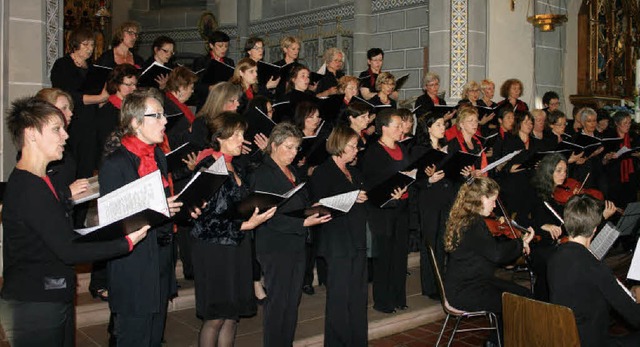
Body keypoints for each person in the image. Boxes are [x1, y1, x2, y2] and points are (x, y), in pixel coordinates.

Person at [0, 97, 149, 346]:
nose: (65, 136)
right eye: (56, 129)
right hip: (35, 303)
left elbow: (58, 234)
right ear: (31, 134)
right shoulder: (29, 187)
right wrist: (125, 243)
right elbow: (68, 250)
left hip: (49, 297)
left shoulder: (41, 180)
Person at [99, 88, 197, 346]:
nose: (165, 121)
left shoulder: (158, 156)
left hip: (161, 258)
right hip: (134, 264)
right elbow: (115, 222)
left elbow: (167, 204)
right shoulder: (116, 163)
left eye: (164, 115)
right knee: (134, 336)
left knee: (154, 336)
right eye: (157, 116)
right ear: (135, 122)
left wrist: (185, 209)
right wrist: (158, 208)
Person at [190, 111, 276, 346]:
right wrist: (248, 224)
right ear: (219, 137)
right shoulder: (209, 167)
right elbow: (204, 221)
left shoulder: (234, 165)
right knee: (216, 318)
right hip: (215, 251)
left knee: (232, 317)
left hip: (237, 246)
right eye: (236, 134)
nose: (242, 139)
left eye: (241, 133)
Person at [250, 122, 331, 347]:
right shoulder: (262, 173)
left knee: (292, 301)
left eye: (297, 148)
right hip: (275, 245)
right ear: (274, 145)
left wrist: (314, 206)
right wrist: (304, 221)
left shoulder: (293, 171)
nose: (294, 153)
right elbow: (267, 215)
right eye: (289, 147)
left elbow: (299, 202)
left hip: (296, 243)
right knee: (278, 303)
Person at [443, 176, 534, 346]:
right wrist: (520, 243)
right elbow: (496, 254)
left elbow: (488, 251)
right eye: (492, 201)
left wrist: (514, 248)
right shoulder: (473, 224)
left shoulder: (468, 218)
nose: (494, 206)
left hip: (472, 282)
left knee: (524, 295)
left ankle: (496, 341)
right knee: (518, 302)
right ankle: (501, 342)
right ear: (480, 199)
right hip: (465, 291)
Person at [548, 194, 640, 347]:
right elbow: (635, 318)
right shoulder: (594, 267)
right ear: (594, 229)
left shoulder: (553, 258)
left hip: (563, 338)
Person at [308, 125, 369, 346]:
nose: (356, 151)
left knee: (358, 296)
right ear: (340, 146)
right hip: (337, 242)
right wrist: (351, 197)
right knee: (339, 297)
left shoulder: (354, 172)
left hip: (357, 240)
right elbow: (317, 205)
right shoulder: (323, 172)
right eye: (353, 147)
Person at [360, 108, 411, 314]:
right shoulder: (373, 152)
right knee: (385, 257)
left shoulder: (402, 148)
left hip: (403, 207)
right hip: (383, 211)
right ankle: (383, 301)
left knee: (400, 256)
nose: (402, 129)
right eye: (397, 125)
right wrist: (390, 194)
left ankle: (398, 297)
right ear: (384, 128)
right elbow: (371, 186)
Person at [50, 27, 108, 179]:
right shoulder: (63, 64)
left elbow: (95, 92)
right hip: (72, 122)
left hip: (90, 123)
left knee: (87, 171)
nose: (90, 49)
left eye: (92, 45)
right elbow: (68, 95)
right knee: (71, 169)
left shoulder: (93, 68)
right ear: (75, 44)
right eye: (85, 44)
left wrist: (102, 100)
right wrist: (99, 98)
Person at [413, 113, 456, 299]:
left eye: (443, 124)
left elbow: (452, 173)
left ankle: (442, 282)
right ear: (428, 128)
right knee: (430, 242)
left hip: (446, 197)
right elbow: (416, 179)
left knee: (442, 242)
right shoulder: (418, 150)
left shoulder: (447, 147)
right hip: (429, 198)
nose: (442, 127)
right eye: (438, 124)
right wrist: (429, 179)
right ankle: (430, 286)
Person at [34, 88, 89, 198]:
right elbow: (38, 194)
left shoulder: (64, 142)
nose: (71, 113)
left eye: (70, 108)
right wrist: (67, 192)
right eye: (64, 108)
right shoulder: (38, 149)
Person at [96, 63, 139, 163]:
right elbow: (106, 145)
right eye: (129, 85)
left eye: (135, 84)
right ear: (117, 85)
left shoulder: (128, 107)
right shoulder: (108, 111)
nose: (134, 88)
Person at [190, 82, 242, 150]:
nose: (238, 104)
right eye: (232, 101)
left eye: (237, 100)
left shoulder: (233, 120)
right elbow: (202, 151)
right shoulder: (201, 123)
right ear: (219, 102)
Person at [192, 31, 235, 110]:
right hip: (206, 102)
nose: (224, 49)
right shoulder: (201, 61)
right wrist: (209, 87)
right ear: (211, 45)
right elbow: (195, 85)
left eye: (226, 46)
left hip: (224, 101)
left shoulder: (229, 62)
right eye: (220, 46)